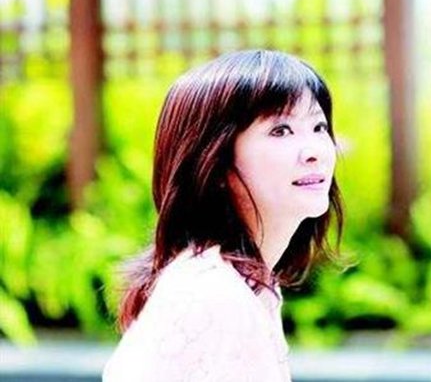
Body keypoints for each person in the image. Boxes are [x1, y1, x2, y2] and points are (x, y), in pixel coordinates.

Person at [103, 49, 344, 381]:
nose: (315, 151)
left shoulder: (245, 285)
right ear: (213, 160)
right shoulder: (212, 294)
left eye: (319, 126)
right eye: (281, 130)